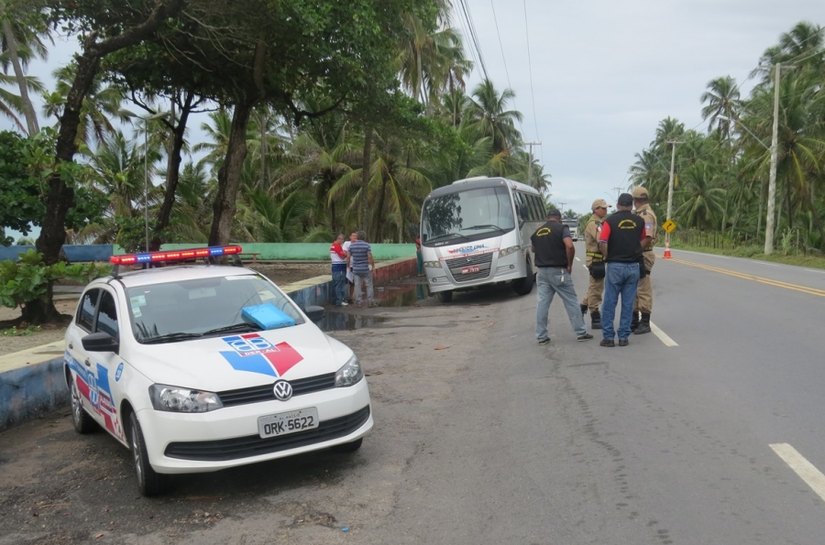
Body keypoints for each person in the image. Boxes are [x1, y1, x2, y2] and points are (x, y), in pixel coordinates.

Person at [531, 207, 593, 345]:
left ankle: (541, 336)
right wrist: (569, 264)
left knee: (542, 303)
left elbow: (533, 249)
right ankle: (581, 332)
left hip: (541, 272)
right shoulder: (562, 228)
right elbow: (569, 246)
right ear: (559, 218)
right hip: (558, 271)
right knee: (570, 301)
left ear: (547, 217)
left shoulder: (538, 231)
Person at [598, 193, 645, 347]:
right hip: (633, 266)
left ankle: (609, 337)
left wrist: (607, 256)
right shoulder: (639, 221)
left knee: (610, 302)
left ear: (618, 205)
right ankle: (624, 337)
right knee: (628, 303)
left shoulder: (609, 221)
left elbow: (603, 241)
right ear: (631, 205)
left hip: (615, 266)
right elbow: (645, 239)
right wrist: (637, 250)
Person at [631, 185, 657, 334]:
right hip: (639, 253)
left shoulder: (646, 214)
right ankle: (634, 319)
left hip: (643, 254)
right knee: (634, 288)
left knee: (643, 288)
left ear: (636, 200)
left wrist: (636, 251)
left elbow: (647, 237)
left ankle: (645, 321)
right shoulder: (640, 213)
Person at [579, 198, 609, 329]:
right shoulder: (595, 223)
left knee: (594, 287)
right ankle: (595, 316)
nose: (606, 210)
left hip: (598, 259)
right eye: (603, 208)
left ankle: (581, 309)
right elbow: (601, 239)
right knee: (596, 289)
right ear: (596, 209)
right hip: (595, 259)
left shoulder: (600, 222)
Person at [349, 230, 376, 307]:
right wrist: (373, 266)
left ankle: (358, 302)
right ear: (364, 237)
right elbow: (369, 257)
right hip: (365, 269)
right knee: (369, 285)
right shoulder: (367, 245)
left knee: (357, 286)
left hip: (356, 269)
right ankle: (370, 302)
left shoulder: (352, 246)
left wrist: (348, 266)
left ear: (357, 237)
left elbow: (348, 257)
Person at [329, 233, 348, 306]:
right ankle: (339, 301)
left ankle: (335, 300)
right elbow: (342, 256)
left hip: (336, 267)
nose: (343, 241)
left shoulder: (333, 246)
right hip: (339, 267)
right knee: (339, 284)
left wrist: (344, 253)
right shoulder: (337, 246)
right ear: (338, 239)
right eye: (342, 239)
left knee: (336, 284)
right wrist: (346, 254)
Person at [342, 231, 357, 303]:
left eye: (355, 236)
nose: (354, 237)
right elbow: (344, 252)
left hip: (354, 265)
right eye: (353, 236)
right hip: (346, 265)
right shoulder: (346, 243)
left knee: (352, 282)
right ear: (350, 237)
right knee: (345, 281)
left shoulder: (358, 244)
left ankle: (350, 297)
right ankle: (344, 296)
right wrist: (349, 254)